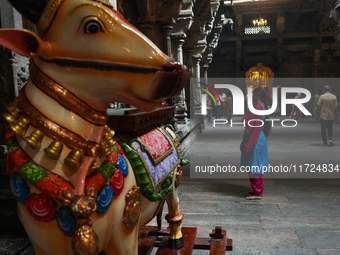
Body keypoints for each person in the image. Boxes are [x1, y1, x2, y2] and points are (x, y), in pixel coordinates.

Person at [241, 87, 269, 200]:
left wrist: (250, 143)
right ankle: (257, 189)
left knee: (254, 165)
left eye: (253, 94)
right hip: (259, 138)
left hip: (255, 138)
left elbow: (255, 126)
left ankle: (257, 193)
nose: (251, 96)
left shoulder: (257, 107)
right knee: (257, 165)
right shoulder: (262, 106)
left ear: (257, 94)